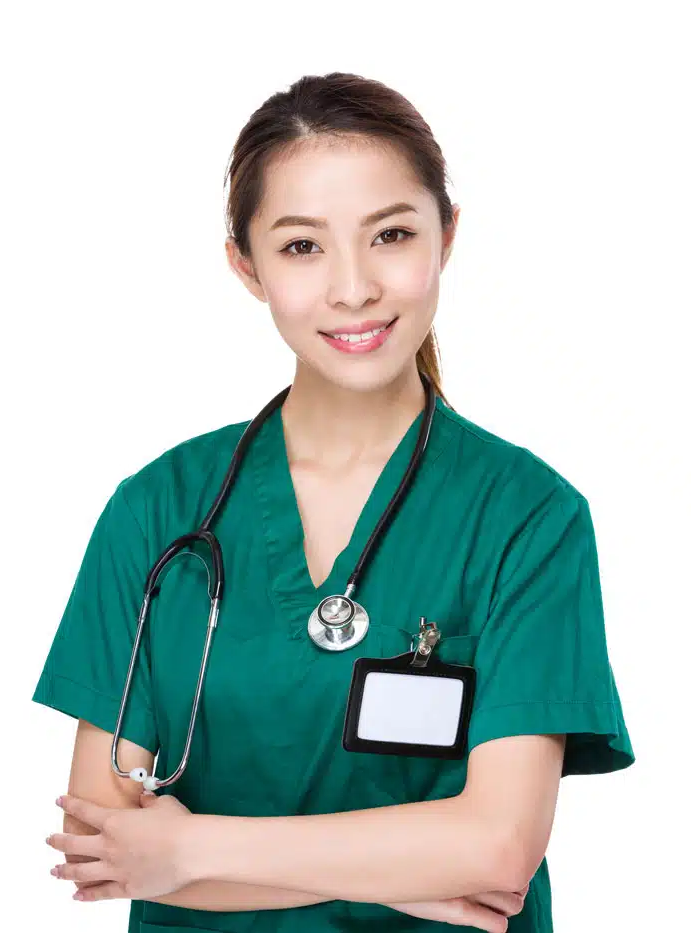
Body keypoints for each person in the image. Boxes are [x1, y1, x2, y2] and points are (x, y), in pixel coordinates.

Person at [32, 71, 635, 933]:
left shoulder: (528, 518)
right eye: (302, 246)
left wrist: (191, 850)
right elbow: (102, 840)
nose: (353, 288)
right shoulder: (159, 509)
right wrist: (402, 872)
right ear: (246, 265)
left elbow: (499, 848)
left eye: (390, 234)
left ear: (447, 236)